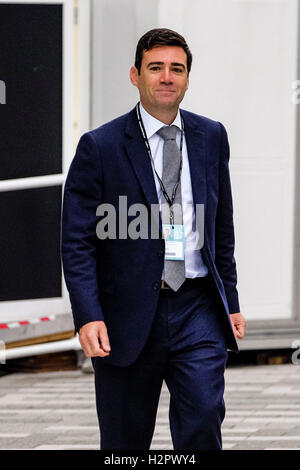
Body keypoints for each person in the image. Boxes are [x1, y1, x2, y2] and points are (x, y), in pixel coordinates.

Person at [61, 28, 246, 450]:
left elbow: (222, 228)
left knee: (202, 417)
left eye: (176, 69)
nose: (167, 77)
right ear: (135, 75)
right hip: (125, 313)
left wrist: (230, 302)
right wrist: (88, 314)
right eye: (156, 67)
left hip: (197, 306)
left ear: (186, 78)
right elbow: (77, 242)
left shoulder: (211, 136)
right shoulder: (100, 146)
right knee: (125, 442)